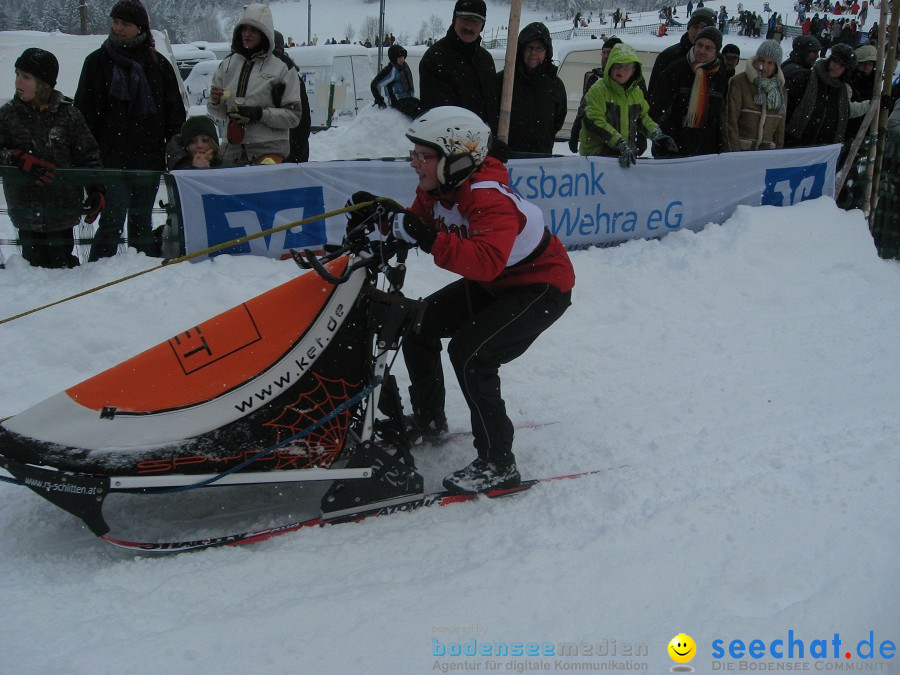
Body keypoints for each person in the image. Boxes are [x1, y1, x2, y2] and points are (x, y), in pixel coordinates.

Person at [347, 107, 574, 494]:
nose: (414, 163)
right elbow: (415, 226)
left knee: (472, 354)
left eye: (423, 155)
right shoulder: (437, 188)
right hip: (498, 283)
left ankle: (498, 462)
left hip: (541, 286)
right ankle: (429, 419)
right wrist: (381, 220)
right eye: (413, 154)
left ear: (456, 158)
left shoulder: (489, 198)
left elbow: (484, 262)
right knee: (418, 325)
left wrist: (425, 236)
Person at [74, 0, 185, 261]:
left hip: (148, 158)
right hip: (109, 159)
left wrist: (172, 150)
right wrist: (90, 158)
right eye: (115, 22)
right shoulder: (97, 63)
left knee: (140, 221)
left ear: (140, 29)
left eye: (125, 23)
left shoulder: (159, 66)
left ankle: (142, 272)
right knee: (112, 220)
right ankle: (98, 272)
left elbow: (175, 115)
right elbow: (84, 115)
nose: (118, 28)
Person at [0, 48, 104, 268]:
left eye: (26, 77)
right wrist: (16, 158)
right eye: (17, 74)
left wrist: (96, 189)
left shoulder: (69, 114)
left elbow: (88, 154)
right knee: (32, 271)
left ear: (44, 83)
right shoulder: (7, 114)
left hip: (63, 211)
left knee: (62, 269)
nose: (18, 81)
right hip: (25, 211)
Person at [207, 4, 305, 166]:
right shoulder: (227, 65)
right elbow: (216, 112)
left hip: (269, 150)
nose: (246, 34)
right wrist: (215, 102)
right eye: (243, 29)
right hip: (232, 151)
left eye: (253, 30)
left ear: (265, 33)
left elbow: (293, 117)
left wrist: (259, 114)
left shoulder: (282, 68)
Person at [578, 43, 678, 165]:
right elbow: (594, 121)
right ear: (610, 66)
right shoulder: (598, 90)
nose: (620, 70)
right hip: (597, 156)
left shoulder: (636, 93)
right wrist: (618, 143)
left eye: (626, 67)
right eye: (617, 65)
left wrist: (656, 134)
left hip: (624, 155)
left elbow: (643, 118)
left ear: (633, 71)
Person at [418, 0, 499, 133]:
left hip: (483, 146)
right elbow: (441, 119)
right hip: (450, 147)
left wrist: (493, 139)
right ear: (454, 19)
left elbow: (492, 110)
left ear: (482, 26)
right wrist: (479, 143)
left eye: (476, 21)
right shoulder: (435, 58)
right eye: (465, 19)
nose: (469, 26)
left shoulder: (486, 60)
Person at [649, 26, 730, 157]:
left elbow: (722, 115)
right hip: (673, 149)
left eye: (708, 48)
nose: (702, 51)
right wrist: (668, 138)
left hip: (707, 151)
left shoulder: (721, 76)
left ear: (716, 51)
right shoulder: (675, 71)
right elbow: (658, 109)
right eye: (700, 45)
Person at [496, 22, 567, 155]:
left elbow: (558, 119)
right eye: (529, 48)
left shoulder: (555, 84)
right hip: (508, 157)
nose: (533, 53)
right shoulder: (504, 81)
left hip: (541, 157)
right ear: (521, 50)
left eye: (539, 48)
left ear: (547, 52)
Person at [784, 43, 868, 148]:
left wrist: (872, 104)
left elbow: (848, 110)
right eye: (835, 61)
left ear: (846, 70)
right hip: (795, 144)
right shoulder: (807, 77)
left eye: (842, 65)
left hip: (824, 150)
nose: (836, 66)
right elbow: (786, 102)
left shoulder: (843, 91)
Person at [722, 40, 787, 151]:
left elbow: (779, 129)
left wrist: (777, 154)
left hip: (766, 155)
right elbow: (730, 122)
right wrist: (734, 153)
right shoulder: (739, 82)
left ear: (776, 66)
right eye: (762, 60)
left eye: (770, 63)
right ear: (756, 60)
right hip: (742, 152)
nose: (764, 66)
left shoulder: (781, 91)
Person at [568, 36, 623, 153]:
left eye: (610, 52)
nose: (606, 56)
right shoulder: (593, 78)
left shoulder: (630, 80)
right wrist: (575, 133)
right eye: (604, 52)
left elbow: (640, 112)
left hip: (621, 143)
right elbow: (583, 109)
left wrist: (641, 141)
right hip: (593, 145)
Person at [647, 8, 717, 93]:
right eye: (695, 27)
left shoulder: (717, 61)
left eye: (704, 28)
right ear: (688, 28)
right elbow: (653, 93)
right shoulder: (668, 57)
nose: (699, 32)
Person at [272, 30, 312, 163]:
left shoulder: (290, 76)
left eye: (277, 51)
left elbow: (303, 121)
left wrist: (293, 157)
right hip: (278, 153)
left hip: (289, 153)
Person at [370, 43, 422, 119]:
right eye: (399, 57)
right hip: (398, 100)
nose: (402, 59)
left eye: (403, 56)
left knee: (424, 107)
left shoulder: (404, 66)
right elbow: (374, 84)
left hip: (408, 98)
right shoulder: (391, 70)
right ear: (394, 58)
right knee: (417, 113)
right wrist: (380, 101)